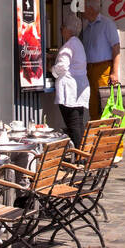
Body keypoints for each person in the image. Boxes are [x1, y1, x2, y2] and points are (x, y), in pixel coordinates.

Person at [81, 0, 122, 121]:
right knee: (93, 103)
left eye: (83, 7)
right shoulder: (87, 27)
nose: (81, 11)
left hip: (103, 68)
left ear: (91, 9)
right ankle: (95, 129)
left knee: (104, 103)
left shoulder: (107, 24)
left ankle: (106, 132)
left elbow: (116, 48)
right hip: (90, 69)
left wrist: (115, 72)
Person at [52, 14, 89, 148]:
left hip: (70, 91)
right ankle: (81, 153)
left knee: (73, 125)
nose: (61, 30)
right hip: (79, 89)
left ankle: (80, 155)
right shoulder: (78, 44)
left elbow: (62, 66)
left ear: (68, 30)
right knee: (78, 123)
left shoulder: (69, 46)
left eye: (62, 28)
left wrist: (52, 70)